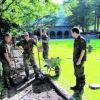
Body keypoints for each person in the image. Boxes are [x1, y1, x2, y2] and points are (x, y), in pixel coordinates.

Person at [70, 27, 87, 92]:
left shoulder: (82, 40)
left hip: (80, 60)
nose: (71, 34)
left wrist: (79, 60)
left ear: (74, 32)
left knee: (80, 73)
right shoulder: (76, 39)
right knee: (76, 73)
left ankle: (81, 87)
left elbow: (83, 51)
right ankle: (77, 86)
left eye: (72, 32)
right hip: (75, 59)